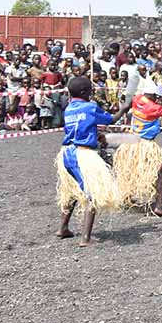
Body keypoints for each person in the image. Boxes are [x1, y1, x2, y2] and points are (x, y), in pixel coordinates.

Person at [55, 76, 129, 247]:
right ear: (84, 92)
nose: (92, 92)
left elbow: (82, 127)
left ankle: (63, 228)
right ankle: (86, 238)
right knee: (93, 192)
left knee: (72, 190)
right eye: (90, 90)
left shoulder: (69, 108)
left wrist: (96, 134)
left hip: (66, 153)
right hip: (83, 155)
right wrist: (124, 108)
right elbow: (111, 120)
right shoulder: (90, 107)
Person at [112, 78, 162, 214]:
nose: (157, 98)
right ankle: (159, 207)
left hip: (131, 142)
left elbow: (154, 101)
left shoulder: (138, 99)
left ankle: (126, 199)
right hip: (145, 145)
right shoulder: (153, 108)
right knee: (158, 174)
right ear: (151, 95)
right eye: (155, 96)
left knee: (129, 170)